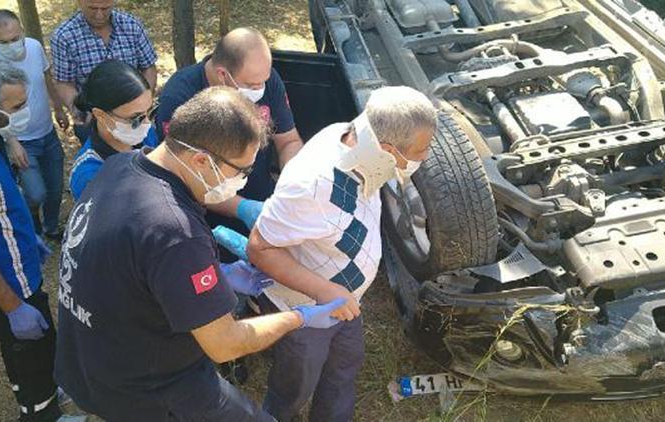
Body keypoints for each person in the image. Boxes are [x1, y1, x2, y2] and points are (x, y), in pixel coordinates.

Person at [54, 86, 345, 421]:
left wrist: (216, 275)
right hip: (150, 389)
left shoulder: (118, 166)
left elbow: (129, 265)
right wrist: (300, 317)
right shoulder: (177, 233)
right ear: (201, 160)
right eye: (242, 171)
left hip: (90, 361)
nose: (242, 181)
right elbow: (225, 344)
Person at [248, 86, 437, 421]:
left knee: (344, 367)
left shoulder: (358, 144)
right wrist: (324, 291)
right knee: (296, 386)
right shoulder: (312, 185)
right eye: (421, 151)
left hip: (345, 303)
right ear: (389, 150)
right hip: (305, 310)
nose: (425, 157)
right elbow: (260, 248)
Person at [156, 27, 304, 257]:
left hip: (263, 199)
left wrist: (295, 182)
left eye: (264, 82)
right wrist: (242, 208)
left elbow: (288, 140)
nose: (260, 90)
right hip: (208, 217)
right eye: (253, 85)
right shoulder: (179, 97)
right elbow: (186, 177)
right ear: (223, 75)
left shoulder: (265, 79)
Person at [0, 59, 62, 421]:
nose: (22, 113)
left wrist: (30, 235)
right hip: (7, 288)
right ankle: (40, 412)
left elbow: (0, 202)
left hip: (17, 270)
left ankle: (38, 392)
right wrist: (13, 307)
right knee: (30, 352)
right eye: (14, 107)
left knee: (31, 349)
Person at [0, 9, 67, 240]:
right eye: (4, 42)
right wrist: (12, 142)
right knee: (36, 193)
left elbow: (46, 78)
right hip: (20, 140)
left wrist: (58, 108)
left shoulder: (35, 48)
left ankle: (51, 227)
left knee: (56, 186)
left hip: (47, 133)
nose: (12, 45)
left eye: (15, 39)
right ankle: (32, 224)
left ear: (22, 32)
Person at [50, 0, 157, 144]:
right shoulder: (64, 36)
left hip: (134, 117)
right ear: (80, 3)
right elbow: (63, 82)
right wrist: (77, 109)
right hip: (93, 120)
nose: (99, 15)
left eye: (105, 8)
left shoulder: (132, 26)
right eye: (93, 8)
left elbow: (148, 67)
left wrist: (143, 105)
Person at [68, 60, 158, 200]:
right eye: (136, 118)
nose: (147, 124)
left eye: (149, 112)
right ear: (101, 115)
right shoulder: (89, 175)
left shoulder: (147, 135)